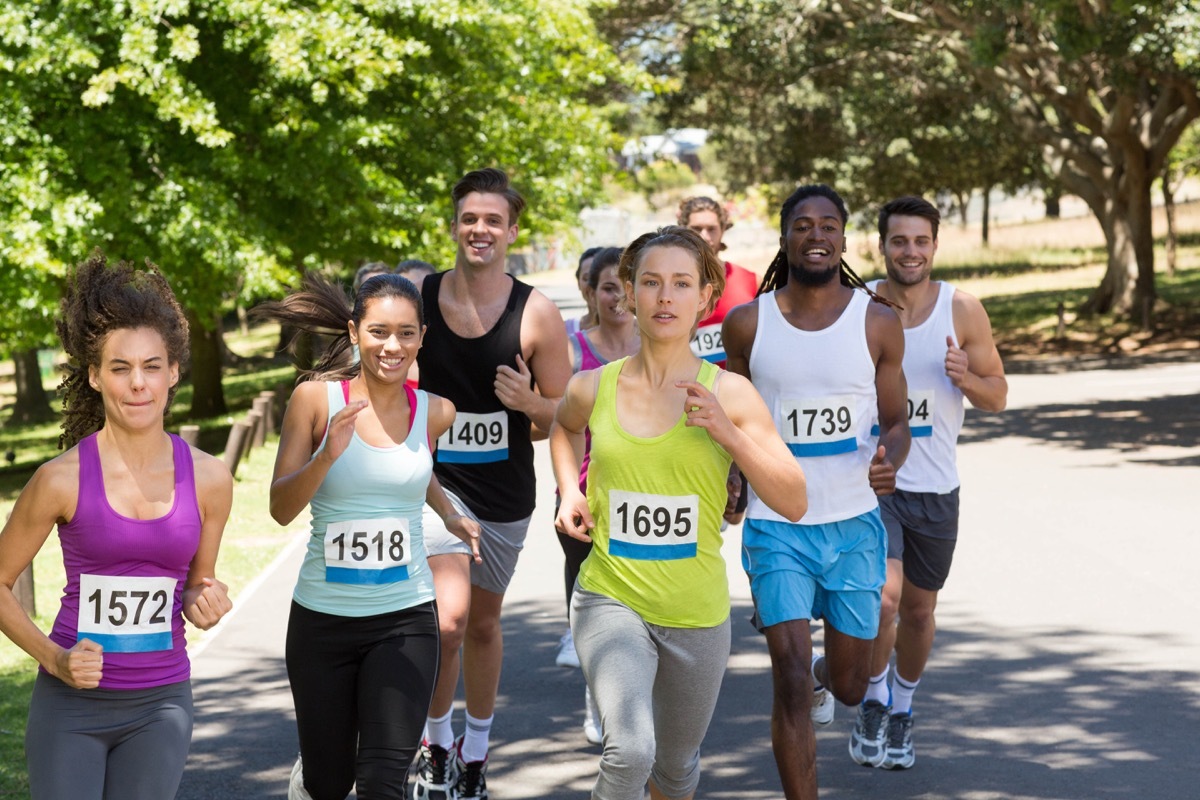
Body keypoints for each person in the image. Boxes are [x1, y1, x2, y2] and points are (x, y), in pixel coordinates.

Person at [552, 226, 806, 800]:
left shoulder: (731, 394)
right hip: (609, 596)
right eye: (650, 282)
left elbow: (793, 498)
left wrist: (727, 433)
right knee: (629, 751)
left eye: (681, 284)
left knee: (674, 768)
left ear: (705, 299)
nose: (665, 297)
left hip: (696, 612)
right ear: (627, 295)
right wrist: (569, 490)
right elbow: (562, 426)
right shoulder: (594, 386)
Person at [0, 252, 233, 799]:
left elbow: (199, 581)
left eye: (152, 366)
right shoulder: (59, 480)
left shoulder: (209, 479)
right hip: (71, 706)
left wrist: (207, 597)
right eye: (120, 368)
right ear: (94, 375)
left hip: (162, 705)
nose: (138, 384)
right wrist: (53, 659)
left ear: (174, 372)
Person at [260, 273, 481, 800]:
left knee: (383, 785)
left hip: (405, 619)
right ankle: (312, 778)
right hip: (323, 623)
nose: (392, 346)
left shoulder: (436, 411)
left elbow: (407, 467)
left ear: (422, 337)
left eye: (406, 333)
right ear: (354, 331)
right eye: (379, 331)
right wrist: (327, 455)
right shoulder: (315, 401)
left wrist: (448, 514)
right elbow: (280, 508)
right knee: (329, 785)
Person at [722, 184, 910, 799]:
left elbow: (898, 421)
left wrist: (891, 461)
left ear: (844, 239)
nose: (817, 235)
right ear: (785, 238)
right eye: (803, 225)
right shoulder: (748, 323)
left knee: (850, 684)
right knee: (792, 678)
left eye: (829, 225)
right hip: (778, 525)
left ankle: (838, 676)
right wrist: (733, 479)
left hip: (854, 522)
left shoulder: (877, 321)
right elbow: (737, 416)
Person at [413, 168, 572, 800]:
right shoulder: (419, 298)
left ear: (512, 230)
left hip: (504, 495)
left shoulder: (535, 312)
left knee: (481, 624)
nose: (480, 229)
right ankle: (434, 745)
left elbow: (565, 416)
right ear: (454, 224)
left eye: (493, 220)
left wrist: (530, 401)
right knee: (446, 621)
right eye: (469, 218)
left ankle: (475, 751)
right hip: (432, 485)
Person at [851, 196, 1008, 770]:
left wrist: (968, 378)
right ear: (882, 245)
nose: (910, 251)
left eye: (920, 241)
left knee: (918, 611)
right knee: (883, 602)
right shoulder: (859, 305)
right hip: (876, 479)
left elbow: (998, 396)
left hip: (938, 486)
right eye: (899, 241)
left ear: (935, 246)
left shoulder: (962, 310)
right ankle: (871, 699)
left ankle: (902, 709)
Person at [553, 246, 641, 744]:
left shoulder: (660, 343)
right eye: (609, 287)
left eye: (628, 287)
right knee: (595, 608)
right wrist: (569, 490)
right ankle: (598, 691)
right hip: (587, 498)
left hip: (644, 496)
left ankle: (633, 698)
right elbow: (558, 422)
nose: (619, 298)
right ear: (592, 291)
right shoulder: (573, 349)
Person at [677, 196, 760, 524]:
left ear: (724, 230)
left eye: (712, 228)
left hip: (735, 404)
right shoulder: (673, 282)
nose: (705, 235)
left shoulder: (747, 280)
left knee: (733, 513)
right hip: (683, 403)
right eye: (696, 228)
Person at [565, 247, 602, 336]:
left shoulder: (638, 330)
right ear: (578, 283)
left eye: (600, 278)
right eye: (587, 278)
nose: (594, 285)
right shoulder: (564, 330)